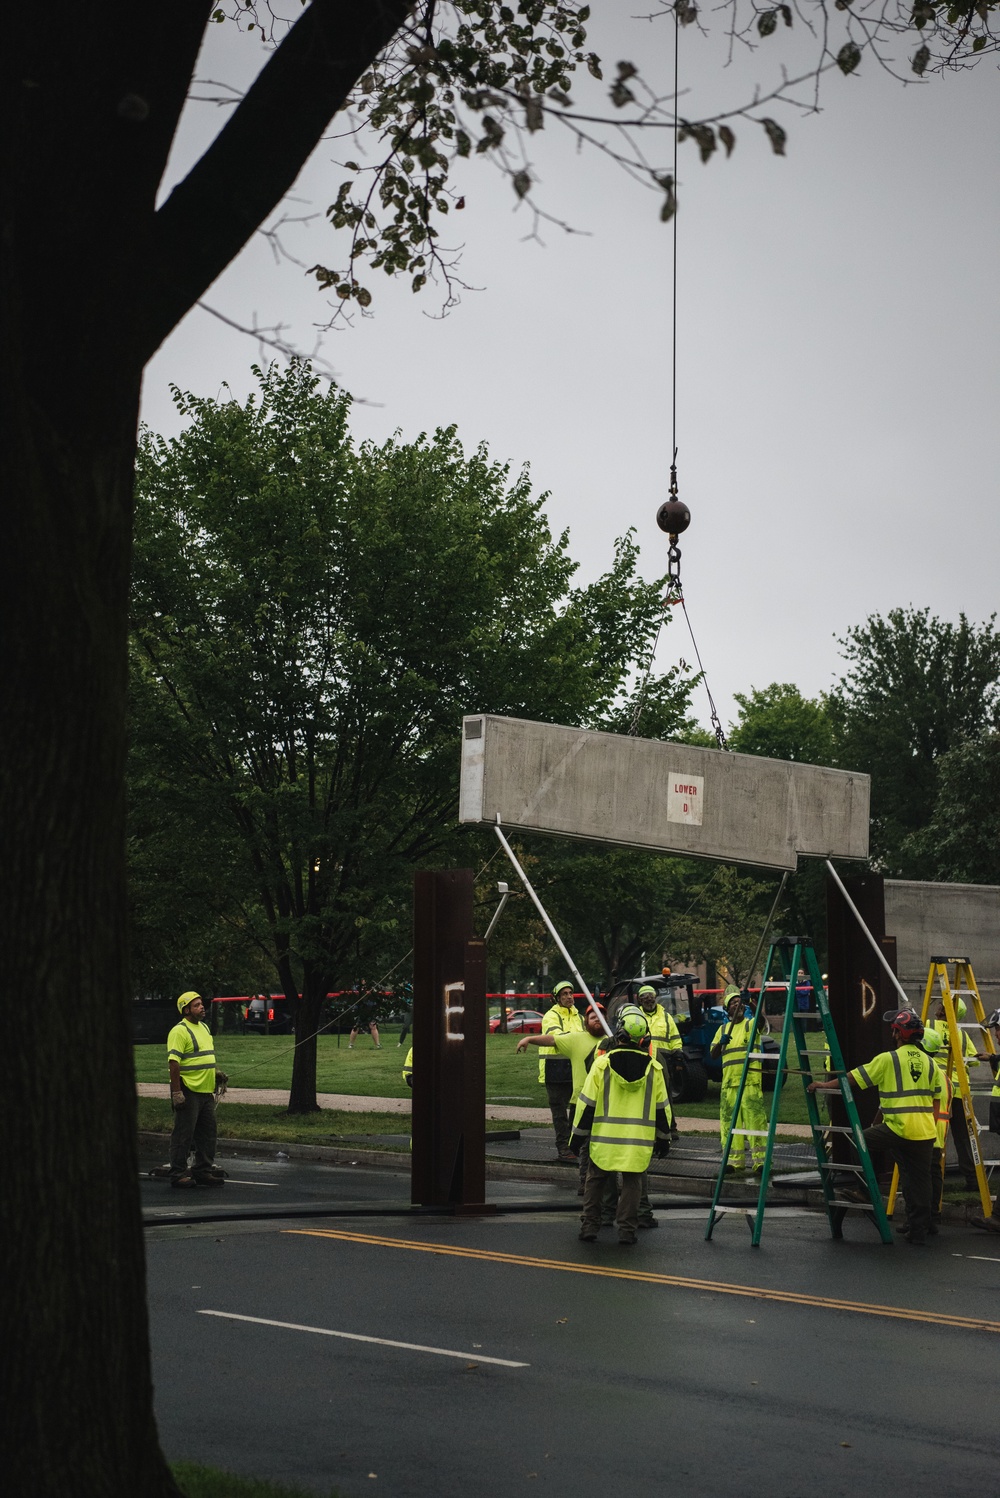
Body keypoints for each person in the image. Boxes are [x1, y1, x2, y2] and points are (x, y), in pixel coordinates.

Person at [809, 1008, 942, 1246]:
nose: (892, 1033)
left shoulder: (888, 1059)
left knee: (859, 1141)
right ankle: (918, 1230)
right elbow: (935, 1099)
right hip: (924, 1132)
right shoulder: (931, 1064)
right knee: (919, 1180)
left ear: (899, 1034)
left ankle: (865, 1190)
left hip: (897, 1128)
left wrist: (823, 1084)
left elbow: (853, 1078)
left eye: (893, 1030)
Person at [571, 1005, 672, 1246]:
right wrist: (664, 1138)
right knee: (632, 1184)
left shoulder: (602, 1064)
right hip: (636, 1143)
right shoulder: (653, 1068)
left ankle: (589, 1226)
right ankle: (627, 1231)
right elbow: (662, 1109)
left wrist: (576, 1138)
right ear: (643, 1038)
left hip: (603, 1141)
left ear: (619, 1034)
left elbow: (586, 1105)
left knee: (594, 1180)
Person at [517, 1003, 607, 1192]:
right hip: (581, 1104)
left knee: (605, 1147)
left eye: (601, 1016)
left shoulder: (613, 1041)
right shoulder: (576, 1040)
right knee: (584, 1147)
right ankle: (587, 1185)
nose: (598, 1020)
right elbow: (551, 1040)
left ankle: (606, 1188)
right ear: (586, 1022)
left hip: (608, 1105)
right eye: (593, 1017)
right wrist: (529, 1038)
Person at [167, 991, 228, 1188]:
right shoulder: (179, 1031)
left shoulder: (204, 1027)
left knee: (208, 1133)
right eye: (196, 1005)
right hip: (188, 1089)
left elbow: (203, 1057)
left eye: (201, 1004)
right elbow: (174, 1063)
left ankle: (202, 1171)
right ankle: (177, 1174)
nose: (202, 1007)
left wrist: (215, 1074)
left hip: (205, 1090)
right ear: (186, 1010)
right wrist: (177, 1093)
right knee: (184, 1134)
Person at [712, 985, 767, 1174]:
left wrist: (752, 1001)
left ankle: (760, 1161)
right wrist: (721, 1042)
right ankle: (734, 1162)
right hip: (729, 1086)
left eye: (739, 1002)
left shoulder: (750, 1025)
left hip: (750, 1082)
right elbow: (713, 1055)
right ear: (728, 1011)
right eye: (733, 1003)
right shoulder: (722, 1029)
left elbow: (761, 1020)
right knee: (729, 1125)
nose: (737, 1005)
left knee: (755, 1122)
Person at [929, 997, 981, 1187]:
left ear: (944, 1010)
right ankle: (973, 1179)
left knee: (934, 1132)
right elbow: (973, 1061)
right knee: (963, 1137)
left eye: (940, 1006)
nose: (937, 1008)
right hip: (960, 1091)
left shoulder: (929, 1025)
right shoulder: (962, 1035)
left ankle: (931, 1174)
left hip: (940, 1091)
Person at [537, 980, 584, 1163]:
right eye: (564, 994)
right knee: (559, 1113)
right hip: (555, 1070)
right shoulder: (551, 1016)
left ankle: (574, 1145)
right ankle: (563, 1148)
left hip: (575, 1069)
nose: (568, 997)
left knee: (576, 1109)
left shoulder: (579, 1017)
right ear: (556, 998)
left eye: (570, 993)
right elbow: (557, 1038)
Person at [920, 1028, 950, 1228]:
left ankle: (922, 1219)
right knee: (934, 1175)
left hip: (925, 1131)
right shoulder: (944, 1076)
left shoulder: (926, 1072)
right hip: (939, 1133)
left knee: (919, 1178)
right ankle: (933, 1216)